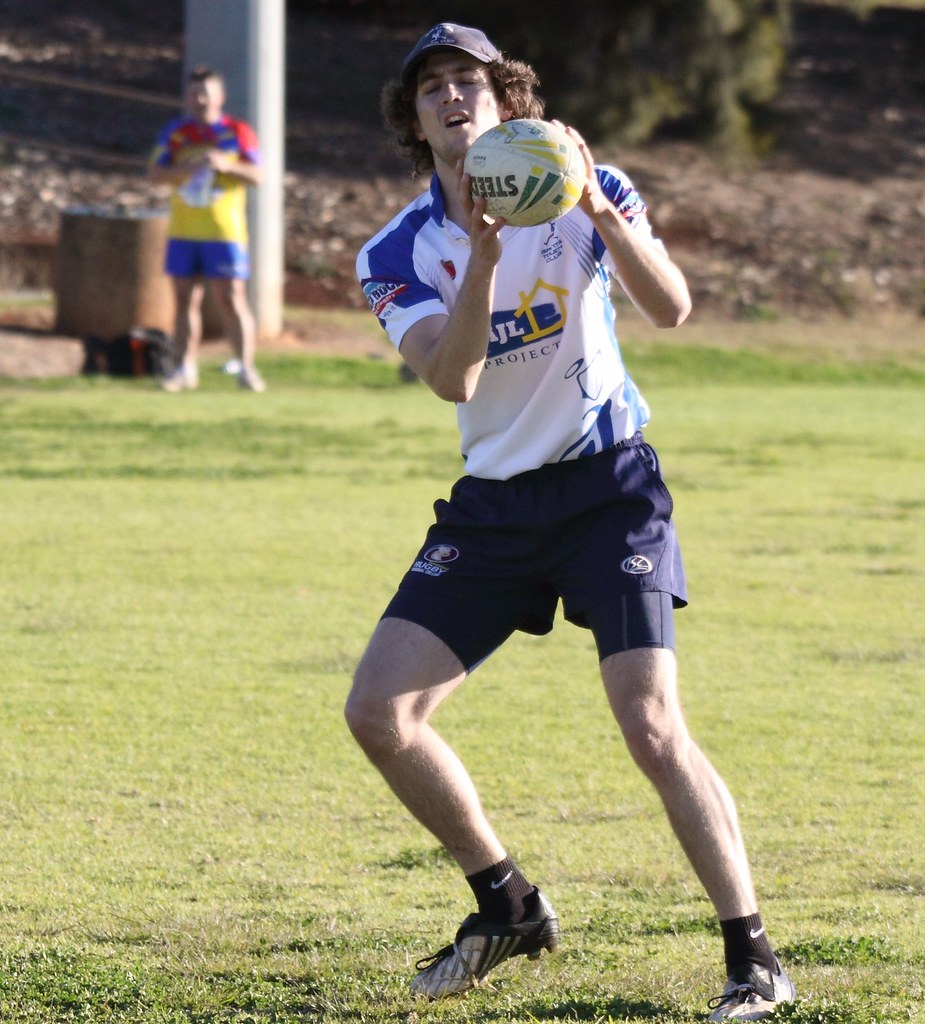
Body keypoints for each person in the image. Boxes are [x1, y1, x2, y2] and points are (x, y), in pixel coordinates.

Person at [347, 22, 795, 1021]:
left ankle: (752, 956)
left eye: (469, 82)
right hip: (497, 506)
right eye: (432, 91)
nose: (453, 100)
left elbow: (671, 307)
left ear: (507, 99)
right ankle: (504, 902)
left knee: (648, 721)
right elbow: (450, 376)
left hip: (608, 488)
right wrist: (486, 257)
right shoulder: (396, 249)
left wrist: (594, 203)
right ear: (416, 123)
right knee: (379, 713)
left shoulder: (588, 187)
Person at [150, 66, 266, 392]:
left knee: (232, 299)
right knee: (184, 300)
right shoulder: (176, 133)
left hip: (224, 231)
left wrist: (226, 164)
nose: (200, 99)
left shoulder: (237, 132)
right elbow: (155, 175)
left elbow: (259, 176)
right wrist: (182, 169)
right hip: (184, 230)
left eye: (206, 92)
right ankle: (184, 368)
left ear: (220, 96)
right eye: (193, 93)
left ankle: (245, 368)